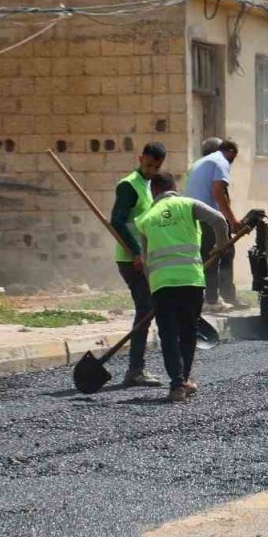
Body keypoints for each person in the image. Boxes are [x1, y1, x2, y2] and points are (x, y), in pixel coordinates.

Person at [134, 172, 229, 403]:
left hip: (162, 285)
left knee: (168, 334)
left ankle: (177, 385)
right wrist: (221, 246)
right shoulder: (188, 204)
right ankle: (185, 377)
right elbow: (219, 219)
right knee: (187, 331)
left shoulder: (145, 219)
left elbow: (146, 261)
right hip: (191, 281)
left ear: (154, 191)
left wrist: (153, 288)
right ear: (173, 187)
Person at [108, 141, 167, 387]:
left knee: (147, 309)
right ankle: (135, 370)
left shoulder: (147, 183)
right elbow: (118, 222)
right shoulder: (129, 186)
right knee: (145, 309)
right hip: (131, 260)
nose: (152, 170)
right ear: (140, 158)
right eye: (149, 164)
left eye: (157, 167)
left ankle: (136, 368)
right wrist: (135, 252)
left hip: (143, 258)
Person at [184, 139, 242, 311]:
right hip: (206, 215)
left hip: (191, 214)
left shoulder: (200, 163)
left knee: (207, 255)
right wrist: (233, 220)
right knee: (221, 251)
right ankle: (214, 299)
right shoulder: (221, 161)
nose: (233, 161)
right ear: (230, 150)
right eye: (234, 156)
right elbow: (218, 193)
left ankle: (210, 297)